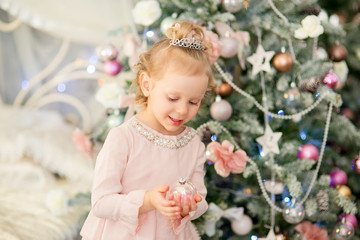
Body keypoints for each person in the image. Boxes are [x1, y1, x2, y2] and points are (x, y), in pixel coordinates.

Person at [80, 21, 215, 240]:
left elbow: (200, 198)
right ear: (147, 85)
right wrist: (148, 201)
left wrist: (190, 207)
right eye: (173, 98)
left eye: (194, 101)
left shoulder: (193, 144)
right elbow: (101, 203)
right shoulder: (123, 138)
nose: (182, 110)